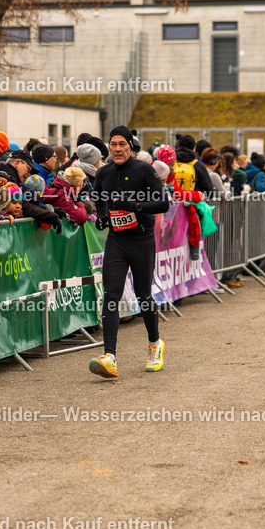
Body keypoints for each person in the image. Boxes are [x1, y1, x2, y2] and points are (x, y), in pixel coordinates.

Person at [90, 126, 170, 378]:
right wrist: (102, 216)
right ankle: (109, 357)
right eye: (113, 144)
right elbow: (98, 196)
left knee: (143, 295)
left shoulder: (144, 170)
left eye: (122, 144)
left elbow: (163, 203)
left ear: (131, 147)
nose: (117, 149)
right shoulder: (103, 172)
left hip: (142, 241)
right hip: (117, 240)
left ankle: (155, 344)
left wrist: (134, 205)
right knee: (111, 294)